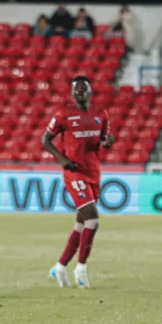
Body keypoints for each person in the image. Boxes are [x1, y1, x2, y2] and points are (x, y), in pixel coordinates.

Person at [42, 75, 115, 290]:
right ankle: (81, 268)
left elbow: (103, 139)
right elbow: (45, 140)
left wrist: (108, 142)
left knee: (81, 224)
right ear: (72, 92)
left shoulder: (100, 114)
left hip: (93, 172)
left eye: (84, 88)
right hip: (74, 173)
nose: (80, 92)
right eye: (76, 89)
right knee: (93, 220)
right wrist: (62, 159)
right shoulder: (63, 114)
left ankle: (59, 267)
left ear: (90, 92)